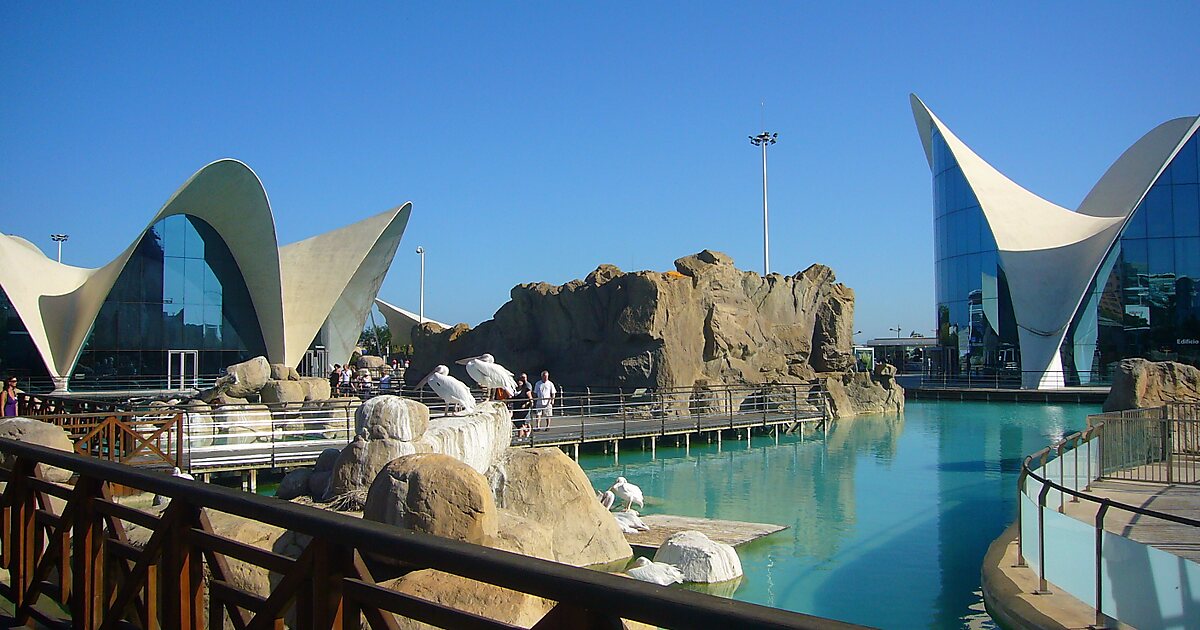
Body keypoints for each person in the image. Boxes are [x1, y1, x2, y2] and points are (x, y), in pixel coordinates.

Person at [510, 373, 533, 438]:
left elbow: (530, 399)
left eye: (521, 381)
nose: (519, 382)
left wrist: (525, 404)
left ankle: (520, 438)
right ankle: (525, 431)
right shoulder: (514, 390)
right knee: (517, 423)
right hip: (516, 409)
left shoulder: (526, 389)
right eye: (518, 381)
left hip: (523, 409)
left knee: (521, 424)